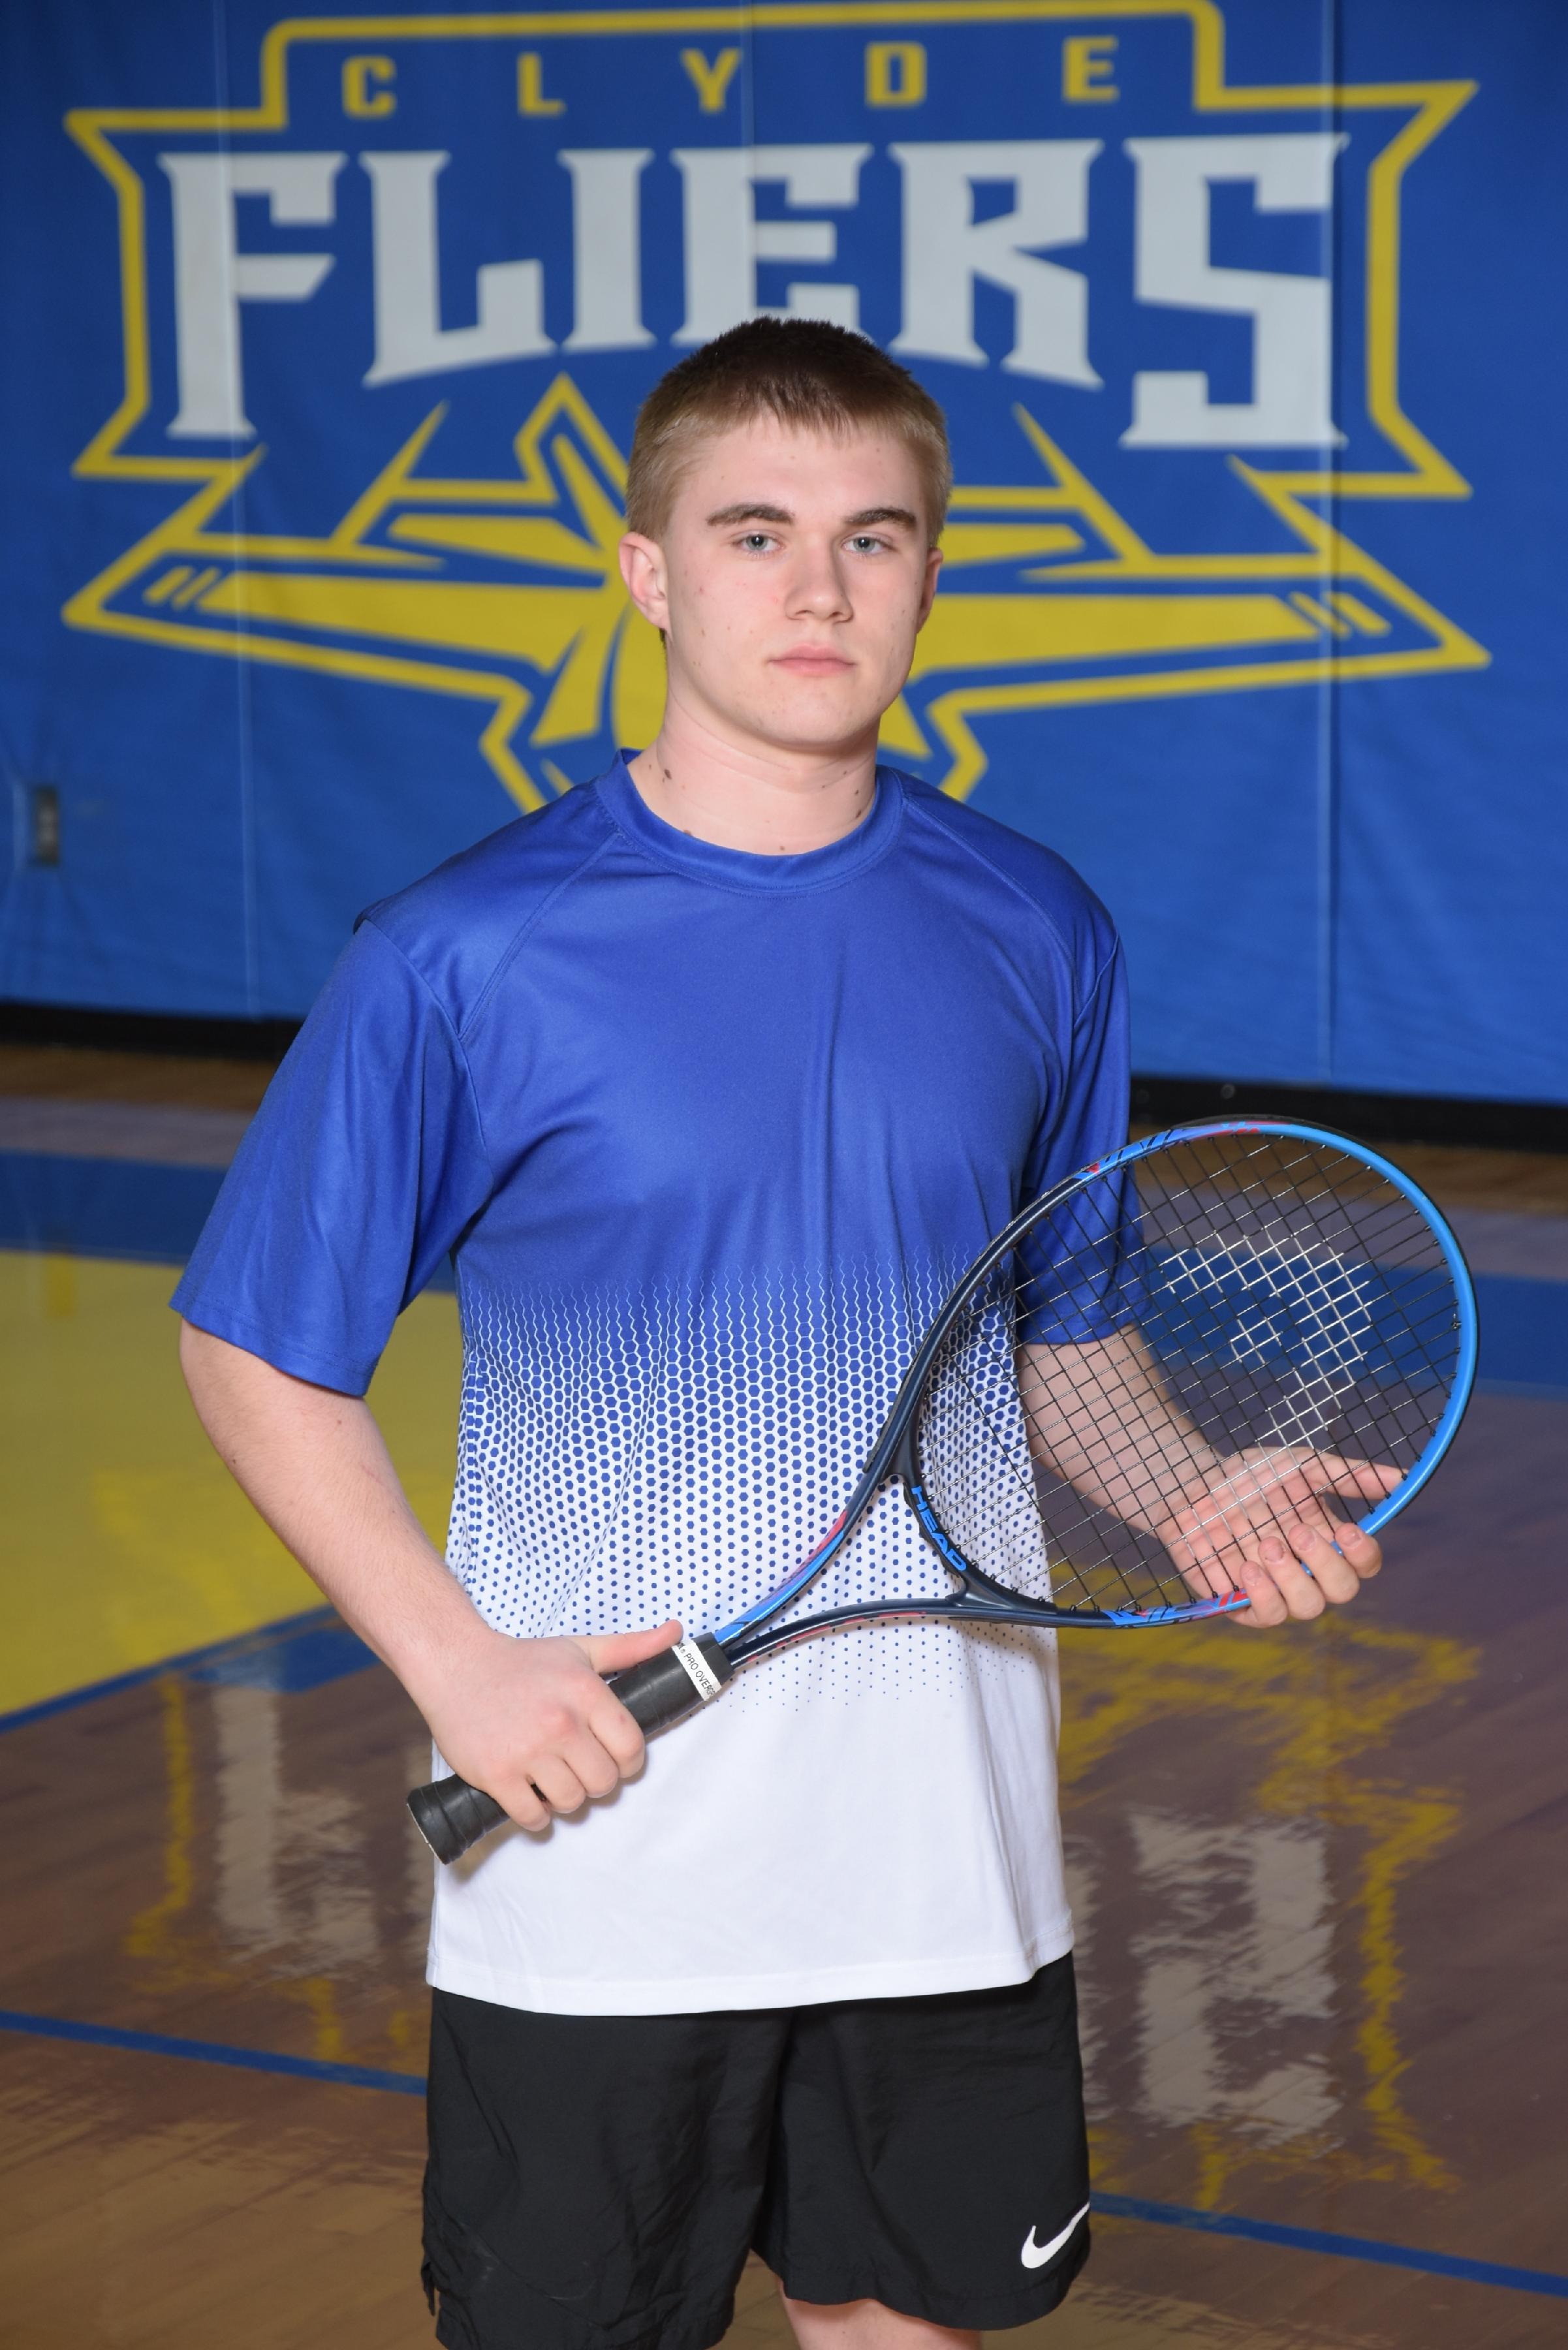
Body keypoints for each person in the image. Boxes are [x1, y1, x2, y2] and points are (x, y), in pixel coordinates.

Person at [176, 318, 1383, 2350]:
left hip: (941, 1846)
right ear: (647, 571)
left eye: (871, 538)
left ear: (928, 572)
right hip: (599, 1854)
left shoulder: (1037, 925)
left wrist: (1188, 1493)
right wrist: (456, 1665)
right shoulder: (460, 956)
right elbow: (254, 1352)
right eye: (754, 534)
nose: (818, 588)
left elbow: (1054, 1331)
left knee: (905, 2326)